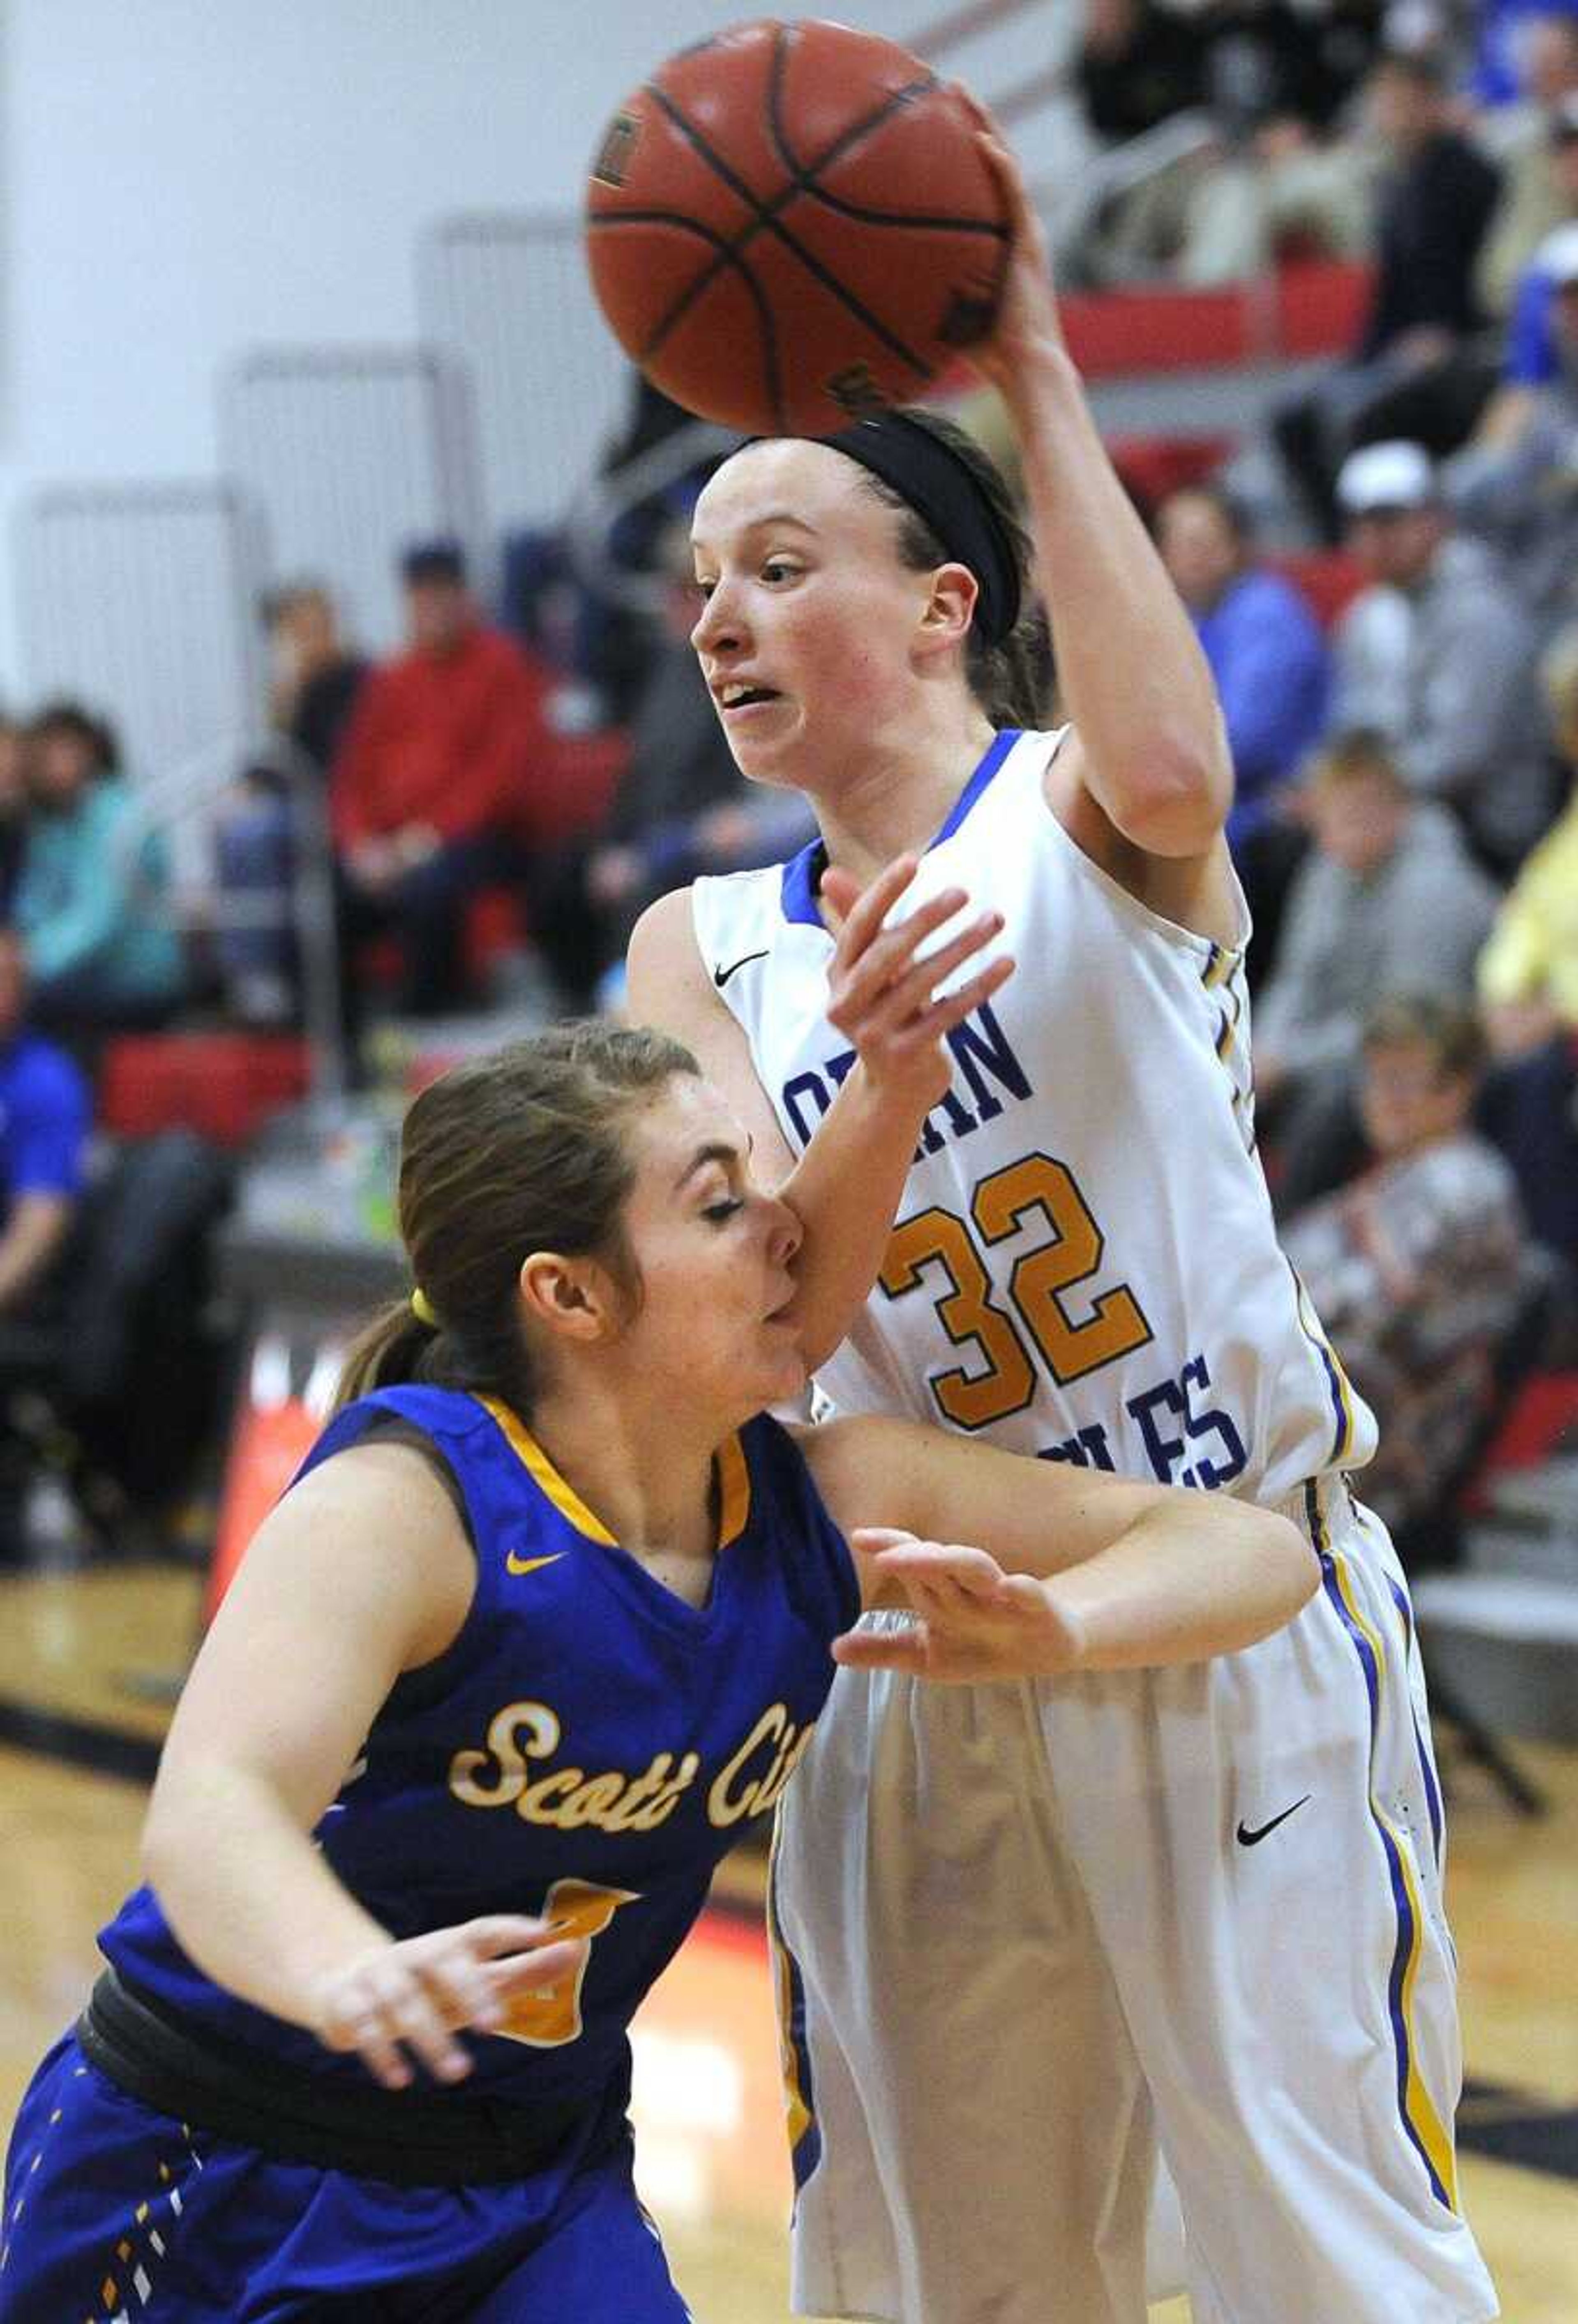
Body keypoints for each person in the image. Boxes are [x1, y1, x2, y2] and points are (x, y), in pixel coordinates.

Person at [627, 99, 1497, 2324]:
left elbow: (1193, 776)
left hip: (1221, 1603)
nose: (718, 610)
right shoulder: (694, 945)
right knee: (955, 2291)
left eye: (778, 561)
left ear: (944, 604)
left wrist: (1032, 363)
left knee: (1331, 2264)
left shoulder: (1082, 813)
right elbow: (767, 1321)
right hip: (921, 1650)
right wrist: (888, 1084)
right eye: (700, 582)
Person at [0, 1018, 1317, 2324]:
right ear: (568, 1294)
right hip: (224, 2160)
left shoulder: (828, 1495)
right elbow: (212, 1810)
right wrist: (347, 1971)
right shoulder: (407, 1508)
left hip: (537, 2182)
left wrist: (1063, 1625)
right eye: (717, 1205)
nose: (786, 1225)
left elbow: (1256, 1554)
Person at [1282, 996, 1529, 1548]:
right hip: (1332, 1418)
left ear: (1456, 1089)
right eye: (1374, 1079)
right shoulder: (1394, 1176)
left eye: (1401, 1082)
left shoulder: (1464, 1184)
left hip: (1386, 1450)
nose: (1379, 1100)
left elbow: (1349, 1314)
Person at [1254, 726, 1501, 1210]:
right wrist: (1262, 1050)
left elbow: (1407, 1030)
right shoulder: (1327, 867)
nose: (1341, 829)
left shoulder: (1435, 887)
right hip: (1335, 1044)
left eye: (1358, 811)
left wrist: (1290, 1061)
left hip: (1427, 1058)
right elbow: (1294, 979)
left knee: (1330, 1106)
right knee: (1230, 1083)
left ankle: (1287, 1249)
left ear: (1395, 809)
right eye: (1331, 814)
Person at [331, 540, 553, 1019]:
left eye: (441, 596)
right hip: (391, 845)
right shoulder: (391, 678)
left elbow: (502, 778)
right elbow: (353, 776)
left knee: (432, 886)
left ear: (463, 597)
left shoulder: (503, 664)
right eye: (421, 599)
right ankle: (345, 1043)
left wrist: (419, 842)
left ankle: (431, 1018)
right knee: (326, 892)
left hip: (482, 840)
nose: (432, 611)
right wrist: (359, 844)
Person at [1329, 436, 1552, 869]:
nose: (1376, 539)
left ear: (1436, 520)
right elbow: (1351, 723)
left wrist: (1368, 794)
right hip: (1402, 801)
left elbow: (1462, 758)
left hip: (1489, 825)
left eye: (1392, 521)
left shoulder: (1483, 611)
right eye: (1363, 525)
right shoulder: (1365, 616)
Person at [12, 702, 187, 1046]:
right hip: (74, 985)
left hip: (135, 989)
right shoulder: (52, 820)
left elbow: (99, 922)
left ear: (88, 751)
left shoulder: (121, 816)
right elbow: (33, 901)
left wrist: (23, 965)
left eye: (62, 750)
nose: (51, 766)